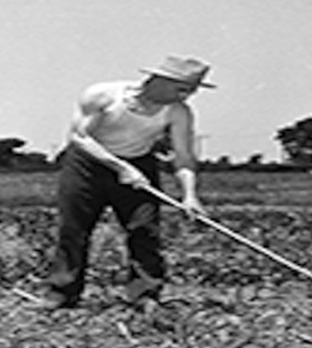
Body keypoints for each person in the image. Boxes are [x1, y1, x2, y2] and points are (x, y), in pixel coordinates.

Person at [40, 55, 214, 310]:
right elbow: (80, 137)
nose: (187, 96)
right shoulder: (103, 95)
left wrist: (189, 196)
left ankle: (145, 294)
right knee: (74, 229)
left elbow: (184, 157)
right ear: (159, 80)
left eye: (191, 90)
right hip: (86, 164)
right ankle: (62, 294)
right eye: (182, 88)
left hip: (139, 163)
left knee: (144, 229)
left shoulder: (178, 112)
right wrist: (120, 167)